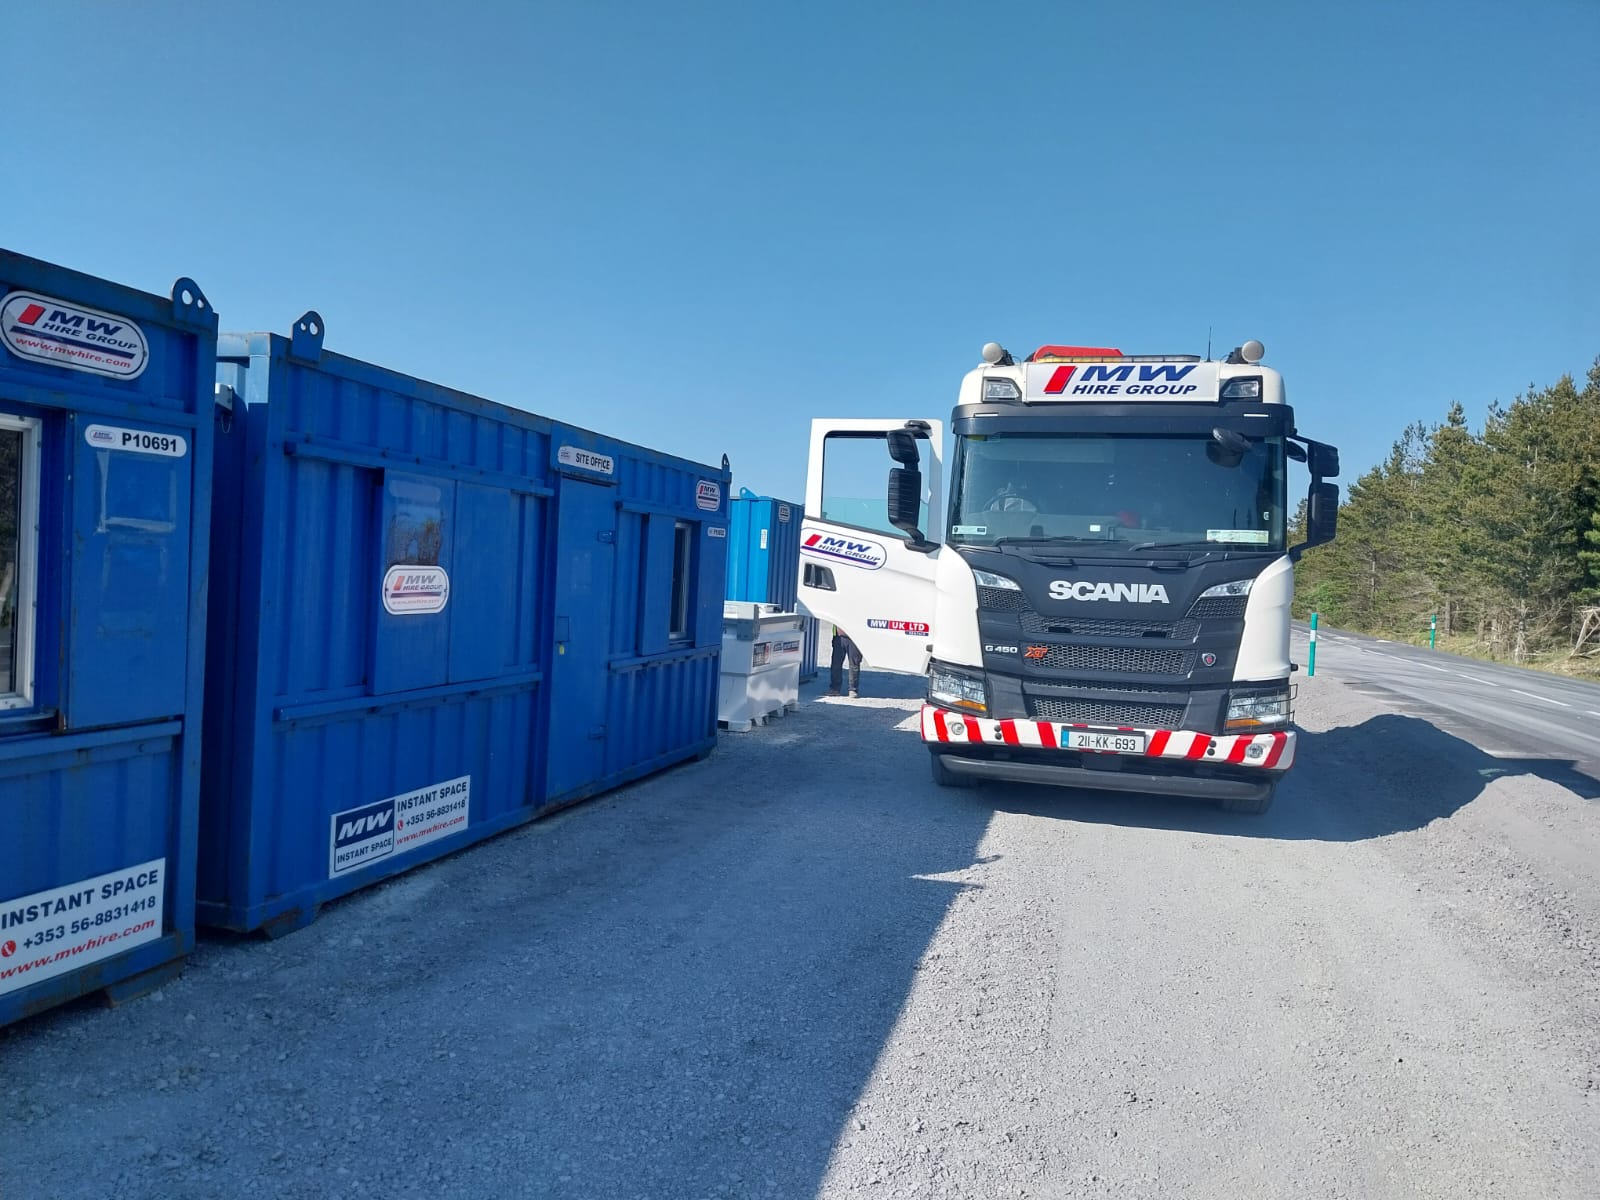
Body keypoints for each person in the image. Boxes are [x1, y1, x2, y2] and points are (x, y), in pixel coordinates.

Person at [827, 624, 862, 698]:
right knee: (836, 664)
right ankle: (835, 689)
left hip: (855, 638)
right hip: (839, 637)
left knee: (854, 664)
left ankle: (853, 689)